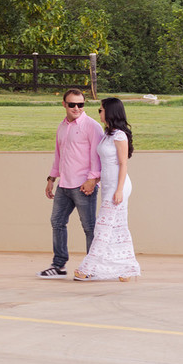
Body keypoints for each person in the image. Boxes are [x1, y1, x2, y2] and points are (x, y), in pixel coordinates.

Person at [39, 88, 103, 278]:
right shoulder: (62, 126)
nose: (77, 108)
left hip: (84, 186)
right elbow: (59, 155)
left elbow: (97, 157)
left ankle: (92, 267)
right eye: (72, 104)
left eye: (80, 104)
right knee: (57, 222)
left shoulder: (92, 126)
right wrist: (51, 178)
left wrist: (92, 180)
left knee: (89, 227)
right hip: (64, 185)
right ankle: (59, 266)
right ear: (64, 104)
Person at [74, 98, 141, 281]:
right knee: (117, 227)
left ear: (110, 112)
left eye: (101, 110)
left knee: (103, 228)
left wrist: (118, 190)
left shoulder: (120, 136)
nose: (99, 113)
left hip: (118, 187)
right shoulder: (108, 135)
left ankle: (87, 268)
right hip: (108, 186)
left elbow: (123, 164)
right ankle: (126, 269)